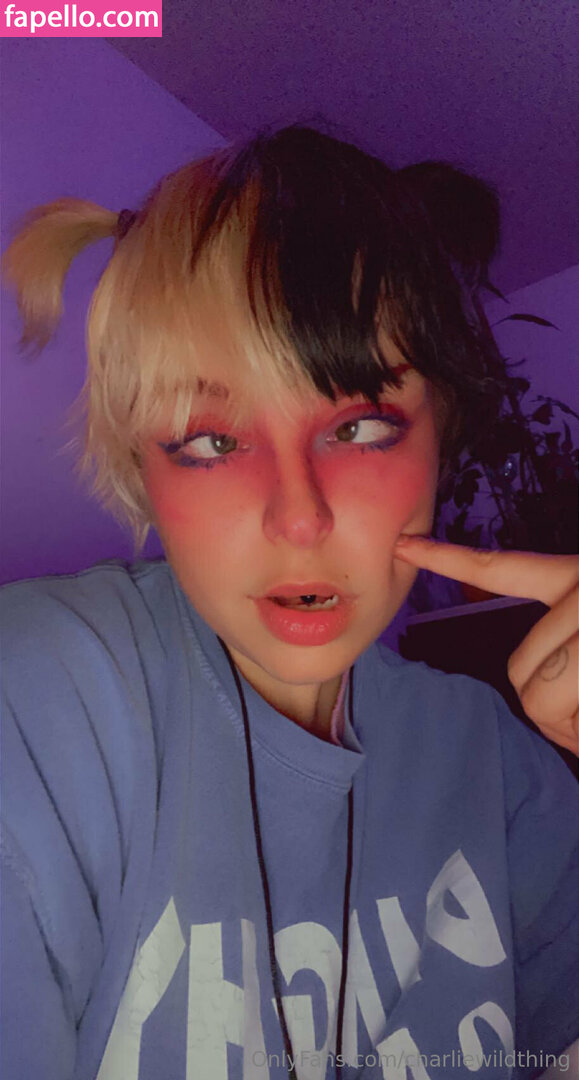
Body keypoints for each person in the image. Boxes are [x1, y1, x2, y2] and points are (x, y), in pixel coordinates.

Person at [1, 124, 577, 1080]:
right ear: (142, 469)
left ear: (439, 436)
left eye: (359, 427)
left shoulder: (493, 761)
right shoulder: (36, 708)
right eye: (212, 441)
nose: (299, 518)